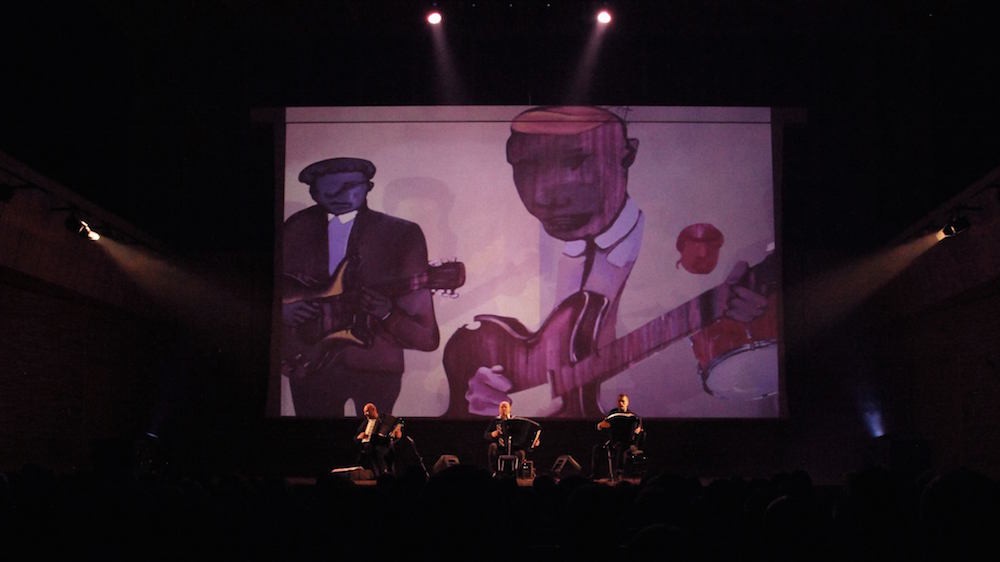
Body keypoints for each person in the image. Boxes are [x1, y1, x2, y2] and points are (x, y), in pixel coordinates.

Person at [459, 105, 772, 418]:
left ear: (626, 154)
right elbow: (533, 359)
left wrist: (739, 326)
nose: (542, 195)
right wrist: (497, 383)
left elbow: (725, 375)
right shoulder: (525, 255)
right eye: (526, 166)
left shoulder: (696, 251)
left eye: (574, 161)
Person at [281, 157, 440, 417]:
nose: (338, 196)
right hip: (309, 361)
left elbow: (424, 330)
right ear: (313, 193)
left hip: (376, 365)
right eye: (327, 189)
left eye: (349, 187)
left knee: (376, 436)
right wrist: (282, 310)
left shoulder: (401, 234)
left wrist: (387, 312)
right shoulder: (296, 227)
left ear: (368, 187)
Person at [590, 393, 644, 479]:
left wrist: (635, 442)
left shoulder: (633, 417)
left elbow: (638, 431)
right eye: (619, 401)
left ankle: (619, 474)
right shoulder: (613, 414)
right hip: (613, 442)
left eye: (623, 401)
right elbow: (602, 425)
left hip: (627, 444)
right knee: (597, 448)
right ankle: (595, 474)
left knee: (621, 448)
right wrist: (601, 425)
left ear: (627, 403)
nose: (621, 403)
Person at [484, 400, 539, 475]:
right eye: (502, 407)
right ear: (499, 409)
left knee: (521, 453)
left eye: (505, 407)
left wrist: (534, 441)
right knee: (492, 447)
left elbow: (524, 435)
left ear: (510, 409)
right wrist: (492, 434)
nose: (503, 409)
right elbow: (486, 435)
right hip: (500, 447)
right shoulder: (495, 421)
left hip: (514, 448)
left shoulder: (516, 421)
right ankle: (494, 472)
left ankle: (516, 473)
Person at [355, 402, 399, 477]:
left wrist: (395, 432)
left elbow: (392, 431)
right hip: (366, 446)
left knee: (377, 451)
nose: (365, 414)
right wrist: (359, 437)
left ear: (373, 410)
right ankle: (377, 475)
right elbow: (357, 436)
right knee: (368, 452)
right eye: (364, 412)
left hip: (382, 445)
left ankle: (383, 474)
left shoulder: (383, 419)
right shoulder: (365, 423)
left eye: (367, 411)